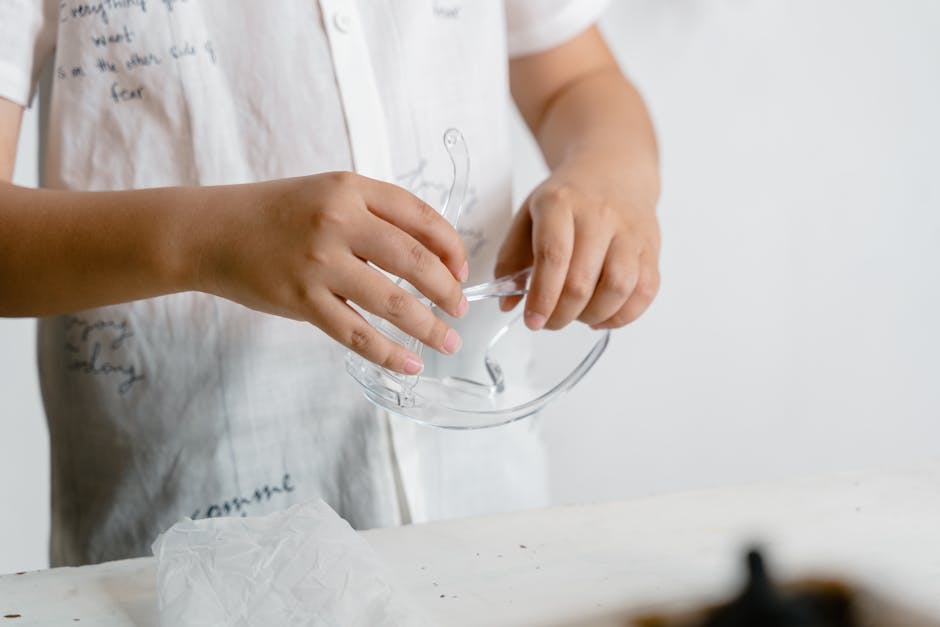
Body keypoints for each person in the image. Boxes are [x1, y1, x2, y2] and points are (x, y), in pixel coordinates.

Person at [0, 0, 660, 566]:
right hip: (198, 564)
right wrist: (214, 237)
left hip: (489, 529)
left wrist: (609, 175)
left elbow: (577, 81)